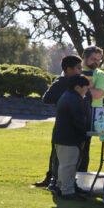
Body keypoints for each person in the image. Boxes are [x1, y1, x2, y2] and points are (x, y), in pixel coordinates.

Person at [36, 55, 84, 189]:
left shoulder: (78, 83)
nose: (81, 71)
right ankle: (52, 180)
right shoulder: (61, 82)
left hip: (74, 124)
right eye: (78, 68)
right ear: (68, 69)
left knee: (72, 157)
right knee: (57, 155)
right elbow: (47, 98)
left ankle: (68, 182)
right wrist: (66, 98)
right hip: (63, 124)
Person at [53, 74, 92, 200]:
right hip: (69, 138)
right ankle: (67, 191)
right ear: (77, 87)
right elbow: (78, 119)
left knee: (65, 165)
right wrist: (85, 132)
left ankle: (61, 187)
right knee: (69, 165)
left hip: (63, 137)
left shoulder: (68, 96)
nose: (87, 90)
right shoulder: (74, 99)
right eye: (85, 87)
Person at [80, 46, 104, 172]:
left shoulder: (100, 74)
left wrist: (78, 87)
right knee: (60, 148)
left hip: (91, 116)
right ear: (84, 57)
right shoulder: (74, 70)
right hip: (71, 113)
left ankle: (80, 179)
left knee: (84, 149)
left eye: (98, 59)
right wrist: (90, 88)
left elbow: (98, 95)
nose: (96, 62)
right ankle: (52, 179)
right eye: (93, 59)